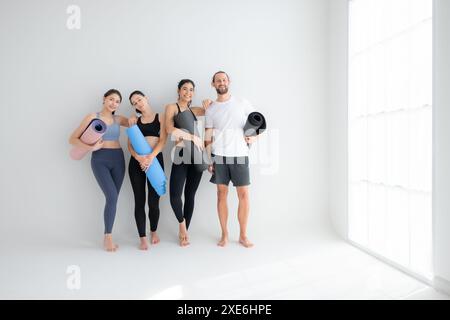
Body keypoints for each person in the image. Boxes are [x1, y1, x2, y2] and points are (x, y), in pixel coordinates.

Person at [69, 89, 131, 252]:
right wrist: (91, 146)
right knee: (111, 196)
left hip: (118, 159)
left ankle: (108, 234)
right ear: (104, 99)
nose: (114, 103)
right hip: (100, 160)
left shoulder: (118, 119)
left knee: (113, 199)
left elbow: (136, 121)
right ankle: (107, 237)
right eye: (111, 99)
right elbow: (72, 139)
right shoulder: (93, 117)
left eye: (117, 101)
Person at [204, 71, 259, 248]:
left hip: (240, 155)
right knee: (221, 195)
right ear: (213, 84)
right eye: (218, 80)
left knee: (243, 195)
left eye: (224, 79)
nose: (221, 82)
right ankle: (224, 234)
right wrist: (208, 159)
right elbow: (207, 137)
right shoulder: (210, 109)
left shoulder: (242, 103)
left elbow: (258, 122)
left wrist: (254, 137)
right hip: (219, 156)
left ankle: (243, 235)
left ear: (229, 82)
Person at [165, 79, 208, 246]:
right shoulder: (172, 107)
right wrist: (192, 137)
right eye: (185, 89)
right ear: (178, 90)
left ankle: (185, 232)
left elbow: (211, 111)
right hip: (181, 153)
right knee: (175, 195)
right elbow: (169, 130)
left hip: (197, 155)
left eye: (191, 90)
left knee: (190, 195)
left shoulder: (193, 110)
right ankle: (181, 225)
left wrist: (209, 103)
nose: (188, 92)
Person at [127, 90, 167, 250]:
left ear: (146, 98)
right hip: (137, 163)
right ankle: (142, 238)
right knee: (139, 201)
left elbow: (163, 140)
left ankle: (153, 231)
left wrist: (150, 158)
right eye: (134, 103)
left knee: (154, 201)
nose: (138, 103)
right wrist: (138, 158)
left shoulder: (161, 117)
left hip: (155, 160)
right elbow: (129, 145)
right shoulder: (134, 121)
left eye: (139, 99)